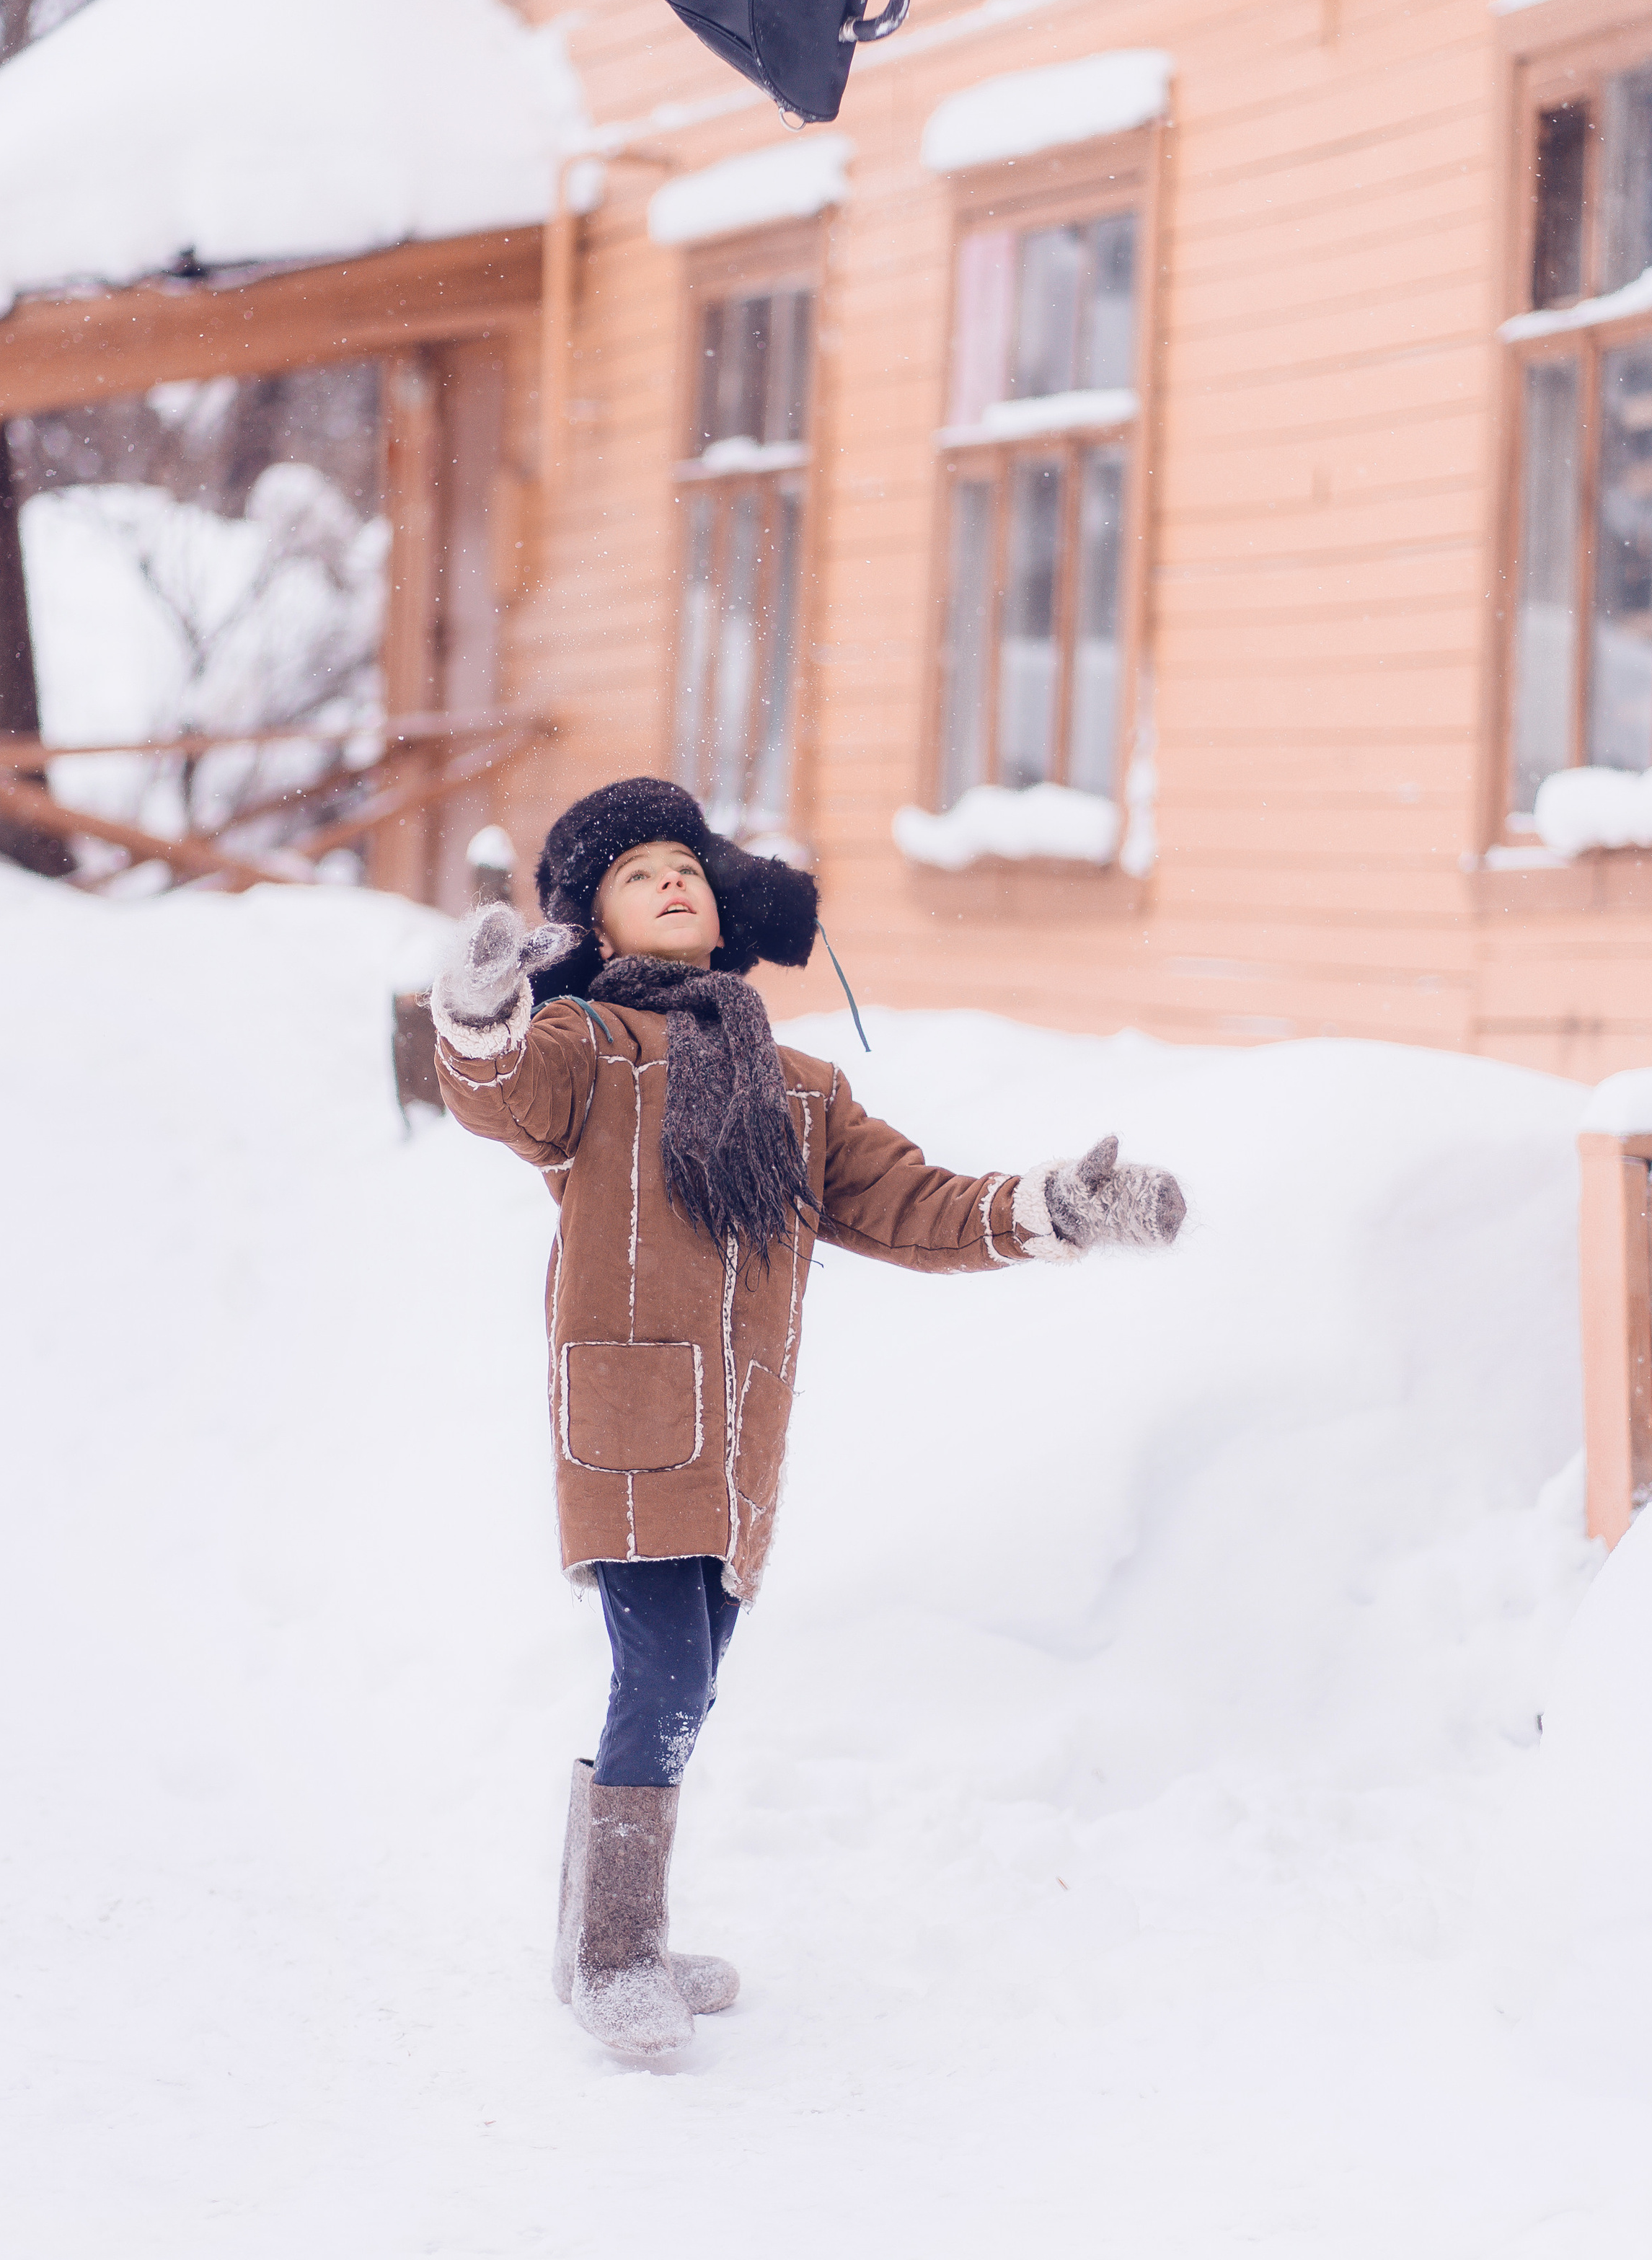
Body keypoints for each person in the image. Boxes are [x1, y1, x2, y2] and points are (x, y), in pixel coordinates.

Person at [430, 776, 1185, 2062]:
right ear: (597, 927)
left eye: (688, 863)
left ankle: (607, 1935)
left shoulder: (798, 1086)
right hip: (627, 1421)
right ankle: (613, 1958)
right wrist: (487, 1007)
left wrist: (1055, 1207)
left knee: (688, 1680)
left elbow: (919, 1205)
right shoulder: (589, 1053)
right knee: (660, 1678)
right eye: (636, 872)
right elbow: (498, 1092)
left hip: (734, 1447)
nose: (673, 879)